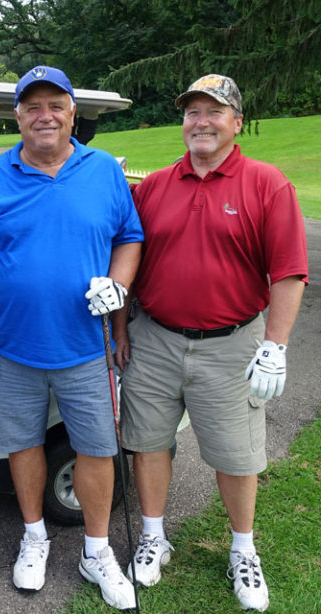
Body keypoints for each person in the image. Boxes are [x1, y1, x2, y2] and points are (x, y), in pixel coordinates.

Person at [114, 74, 308, 612]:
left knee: (235, 453)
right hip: (153, 338)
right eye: (192, 112)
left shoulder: (267, 184)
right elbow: (127, 255)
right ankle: (154, 537)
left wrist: (276, 345)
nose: (201, 122)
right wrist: (122, 327)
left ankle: (243, 550)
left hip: (232, 344)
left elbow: (289, 273)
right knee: (148, 441)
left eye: (214, 112)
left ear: (236, 122)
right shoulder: (153, 186)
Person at [0, 65, 144, 610]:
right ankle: (34, 535)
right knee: (23, 443)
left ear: (72, 114)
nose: (45, 116)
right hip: (11, 344)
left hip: (87, 346)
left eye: (55, 105)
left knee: (96, 449)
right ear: (17, 115)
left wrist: (119, 285)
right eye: (32, 107)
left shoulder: (104, 169)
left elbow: (129, 237)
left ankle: (96, 548)